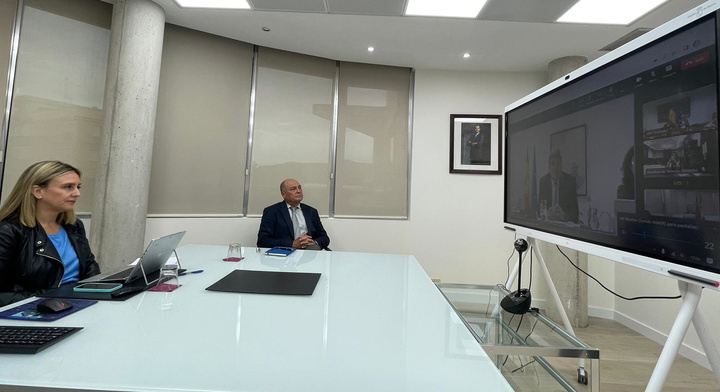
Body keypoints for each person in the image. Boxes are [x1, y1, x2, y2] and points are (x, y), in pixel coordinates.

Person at [0, 161, 100, 307]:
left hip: (75, 304)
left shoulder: (73, 226)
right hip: (36, 310)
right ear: (38, 191)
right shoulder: (9, 231)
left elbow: (90, 268)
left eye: (77, 187)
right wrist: (50, 298)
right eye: (67, 187)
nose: (77, 193)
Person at [257, 178, 330, 250]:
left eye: (299, 188)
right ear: (283, 194)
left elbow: (324, 238)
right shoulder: (272, 212)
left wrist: (314, 242)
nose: (299, 191)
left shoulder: (311, 211)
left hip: (308, 253)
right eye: (293, 189)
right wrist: (292, 244)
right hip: (284, 254)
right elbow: (263, 241)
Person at [538, 150, 579, 223]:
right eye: (552, 164)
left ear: (561, 166)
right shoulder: (543, 182)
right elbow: (538, 209)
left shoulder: (570, 181)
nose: (555, 167)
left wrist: (564, 215)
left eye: (558, 163)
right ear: (549, 167)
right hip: (548, 226)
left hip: (564, 227)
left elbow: (575, 213)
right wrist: (546, 214)